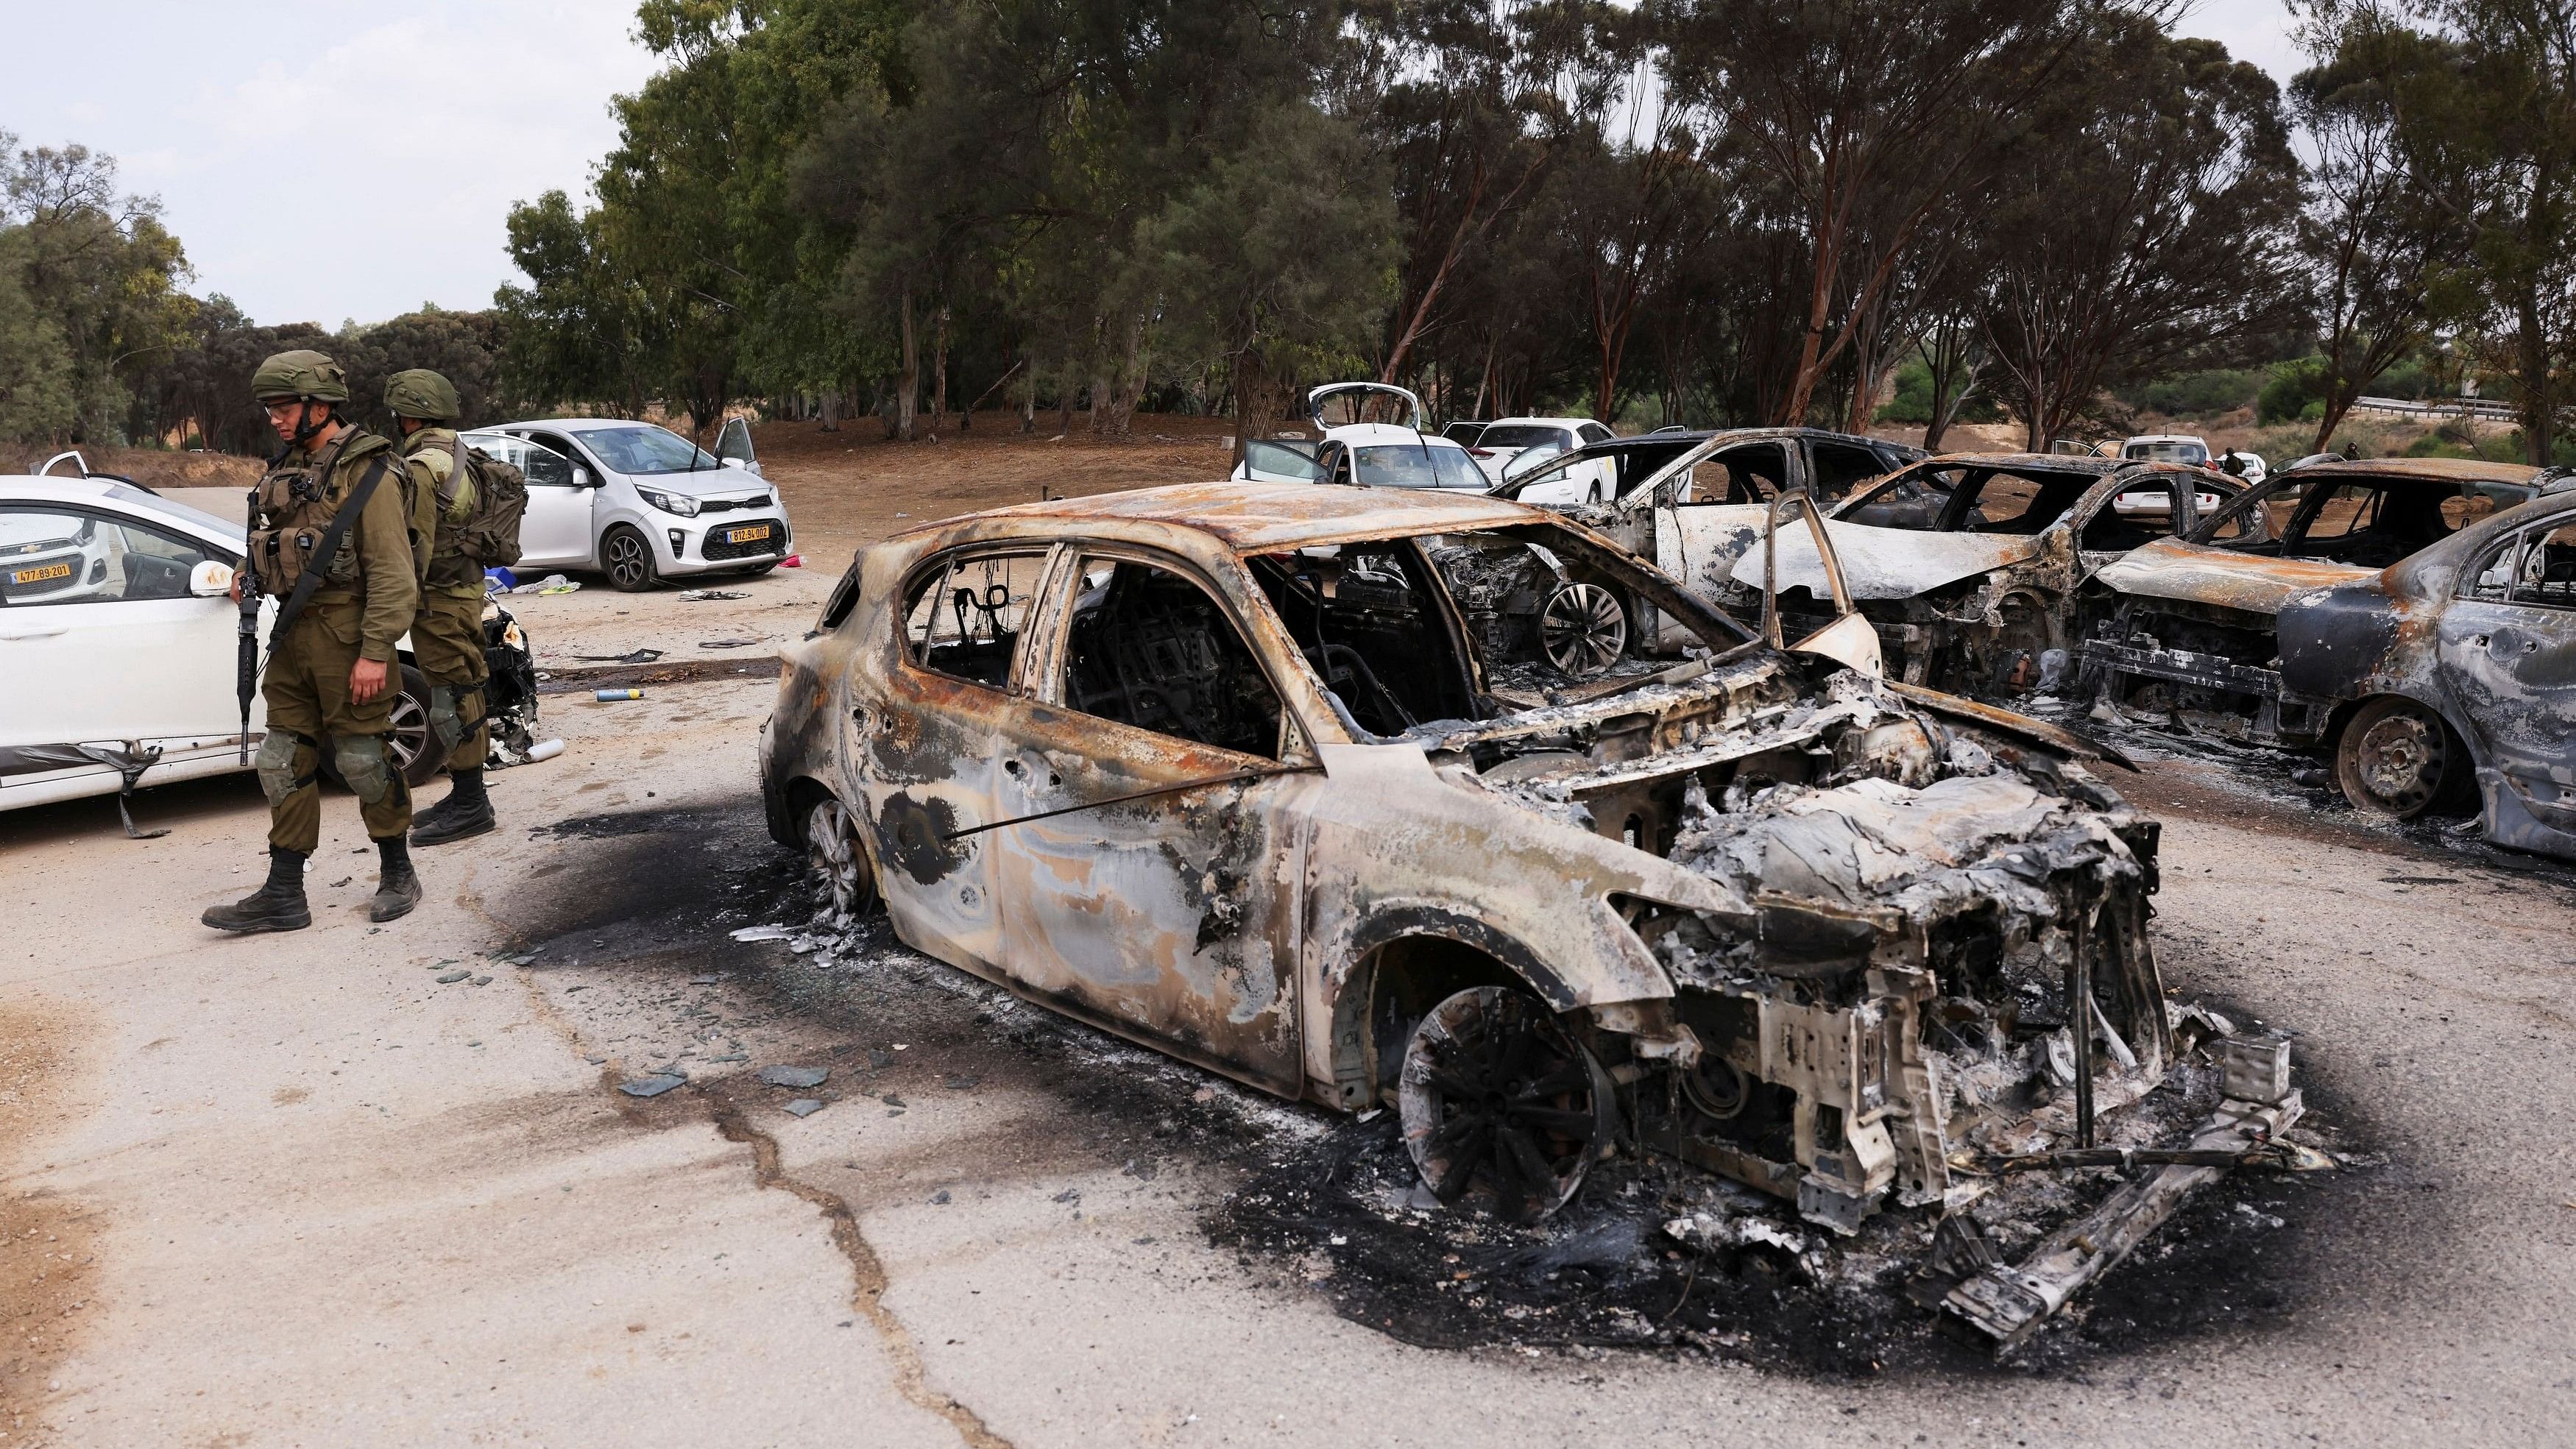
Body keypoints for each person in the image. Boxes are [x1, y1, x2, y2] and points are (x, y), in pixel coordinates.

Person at [203, 350, 422, 933]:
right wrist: (246, 574)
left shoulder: (366, 471)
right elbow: (273, 541)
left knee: (362, 758)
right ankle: (284, 892)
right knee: (281, 760)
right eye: (270, 408)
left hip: (349, 638)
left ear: (319, 404)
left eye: (283, 407)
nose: (274, 418)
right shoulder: (285, 467)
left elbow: (395, 574)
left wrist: (377, 651)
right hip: (294, 636)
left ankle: (398, 871)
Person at [383, 369, 498, 846]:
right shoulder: (460, 451)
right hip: (464, 590)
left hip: (440, 600)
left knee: (451, 697)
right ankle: (466, 792)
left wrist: (389, 609)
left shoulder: (422, 467)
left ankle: (473, 804)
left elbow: (415, 548)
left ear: (409, 414)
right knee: (462, 688)